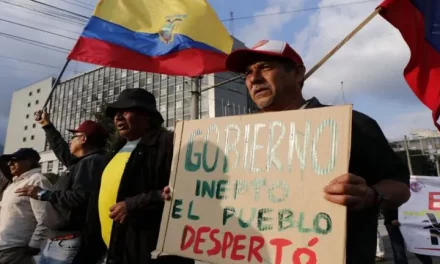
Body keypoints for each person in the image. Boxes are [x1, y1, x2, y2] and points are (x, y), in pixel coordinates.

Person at [163, 40, 411, 264]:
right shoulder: (234, 138)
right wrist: (184, 191)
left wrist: (371, 195)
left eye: (265, 67)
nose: (254, 78)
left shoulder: (353, 124)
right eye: (248, 73)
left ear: (298, 73)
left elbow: (400, 187)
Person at [73, 89, 194, 264]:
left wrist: (133, 204)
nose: (118, 117)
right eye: (116, 113)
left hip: (148, 254)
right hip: (114, 252)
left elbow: (184, 191)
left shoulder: (168, 144)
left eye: (126, 110)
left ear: (148, 116)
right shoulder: (117, 149)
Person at [16, 114, 109, 264]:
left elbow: (79, 197)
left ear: (83, 139)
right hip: (58, 242)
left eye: (74, 136)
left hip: (69, 243)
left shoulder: (91, 162)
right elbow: (61, 150)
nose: (69, 140)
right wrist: (46, 125)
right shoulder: (81, 163)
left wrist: (42, 193)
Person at [0, 148, 52, 264]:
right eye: (9, 161)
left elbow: (45, 217)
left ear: (28, 162)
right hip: (4, 245)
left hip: (17, 248)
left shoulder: (37, 181)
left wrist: (35, 244)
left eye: (14, 160)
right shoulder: (13, 184)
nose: (10, 164)